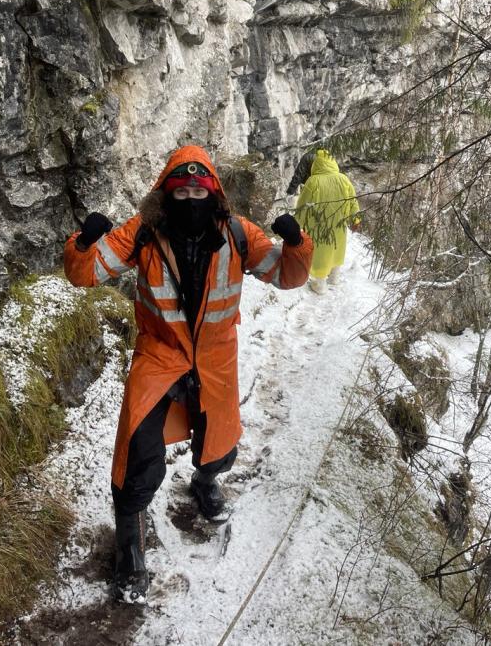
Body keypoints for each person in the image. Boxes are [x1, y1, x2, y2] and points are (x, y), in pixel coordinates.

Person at [63, 145, 313, 603]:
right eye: (182, 191)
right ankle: (131, 546)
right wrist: (84, 244)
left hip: (215, 359)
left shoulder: (237, 233)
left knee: (219, 443)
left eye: (200, 189)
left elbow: (286, 276)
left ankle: (205, 481)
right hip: (160, 355)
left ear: (213, 192)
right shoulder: (143, 232)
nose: (192, 197)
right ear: (166, 194)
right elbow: (86, 274)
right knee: (137, 450)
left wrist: (296, 244)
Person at [295, 149, 360, 295]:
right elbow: (353, 202)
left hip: (319, 225)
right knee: (337, 249)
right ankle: (334, 278)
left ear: (316, 164)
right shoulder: (344, 179)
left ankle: (319, 285)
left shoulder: (313, 181)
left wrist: (296, 224)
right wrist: (355, 219)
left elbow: (303, 205)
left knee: (320, 253)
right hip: (339, 224)